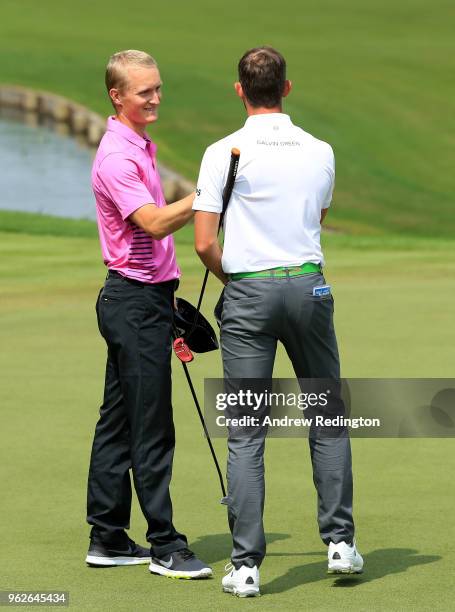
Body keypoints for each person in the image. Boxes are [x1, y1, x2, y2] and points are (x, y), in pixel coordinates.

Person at [193, 46, 363, 597]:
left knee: (246, 431)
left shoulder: (224, 150)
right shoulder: (321, 149)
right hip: (309, 286)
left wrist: (240, 286)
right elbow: (316, 220)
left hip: (249, 293)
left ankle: (244, 567)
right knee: (327, 414)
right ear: (286, 88)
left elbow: (202, 243)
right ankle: (340, 543)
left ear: (239, 89)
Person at [86, 49, 211, 579]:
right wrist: (207, 196)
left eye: (158, 87)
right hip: (135, 303)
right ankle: (165, 545)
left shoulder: (136, 145)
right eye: (145, 91)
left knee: (118, 425)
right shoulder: (117, 156)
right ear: (118, 97)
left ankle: (108, 537)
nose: (156, 97)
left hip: (142, 301)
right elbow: (155, 223)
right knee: (152, 427)